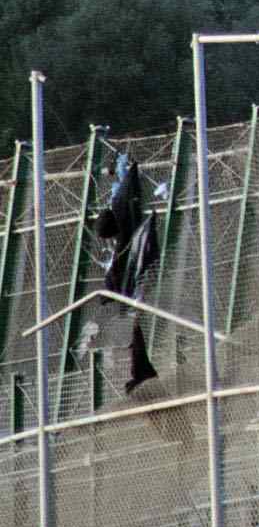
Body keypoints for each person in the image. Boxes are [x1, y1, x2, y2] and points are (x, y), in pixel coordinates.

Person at [93, 151, 164, 393]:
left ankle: (142, 371)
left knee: (134, 324)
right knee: (131, 326)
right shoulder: (119, 239)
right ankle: (140, 371)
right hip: (130, 281)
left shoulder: (126, 222)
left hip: (140, 277)